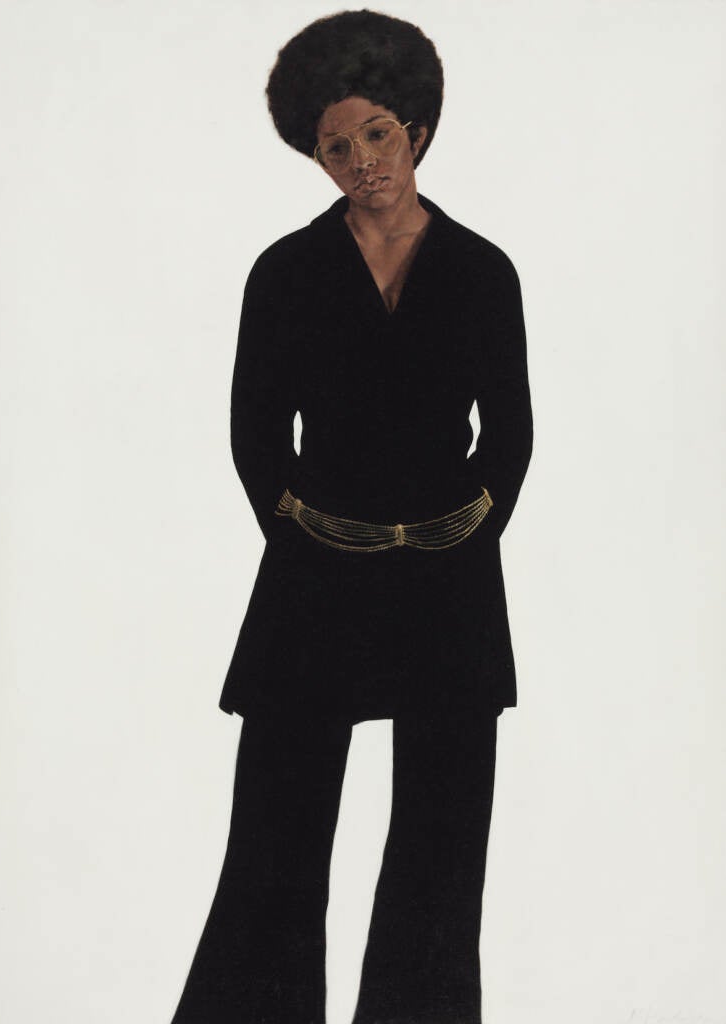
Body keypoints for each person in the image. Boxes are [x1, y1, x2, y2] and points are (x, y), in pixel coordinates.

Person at [170, 10, 533, 1024]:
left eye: (376, 131)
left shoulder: (483, 270)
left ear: (414, 127)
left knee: (440, 853)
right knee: (274, 844)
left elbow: (510, 437)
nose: (361, 159)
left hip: (451, 585)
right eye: (336, 145)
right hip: (314, 578)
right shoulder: (284, 273)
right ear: (316, 157)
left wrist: (459, 540)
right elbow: (254, 436)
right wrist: (308, 539)